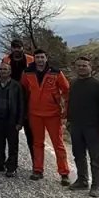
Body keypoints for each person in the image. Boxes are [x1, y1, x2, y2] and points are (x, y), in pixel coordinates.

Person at [21, 49, 71, 184]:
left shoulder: (56, 72)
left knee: (58, 144)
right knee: (37, 143)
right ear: (34, 59)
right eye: (37, 57)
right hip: (34, 113)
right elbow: (23, 91)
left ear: (46, 58)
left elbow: (67, 90)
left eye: (42, 57)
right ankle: (38, 170)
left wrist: (65, 112)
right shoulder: (27, 72)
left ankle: (64, 173)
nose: (40, 60)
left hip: (53, 114)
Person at [67, 56, 99, 197]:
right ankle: (82, 180)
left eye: (84, 65)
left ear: (90, 67)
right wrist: (68, 121)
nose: (81, 68)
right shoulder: (73, 84)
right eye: (79, 65)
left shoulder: (98, 86)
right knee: (78, 155)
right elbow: (71, 104)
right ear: (75, 67)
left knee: (95, 157)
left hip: (93, 127)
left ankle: (96, 185)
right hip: (76, 126)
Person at [0, 62, 25, 177]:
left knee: (13, 146)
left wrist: (20, 122)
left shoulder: (16, 85)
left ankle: (12, 167)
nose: (2, 71)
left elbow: (21, 105)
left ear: (10, 72)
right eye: (1, 69)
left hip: (12, 120)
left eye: (5, 69)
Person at [1, 39, 36, 161]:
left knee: (31, 135)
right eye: (14, 47)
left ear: (23, 48)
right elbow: (2, 75)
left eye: (19, 47)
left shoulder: (31, 60)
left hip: (29, 98)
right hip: (11, 99)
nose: (17, 50)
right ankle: (9, 161)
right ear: (11, 48)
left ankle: (36, 164)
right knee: (9, 133)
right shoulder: (6, 60)